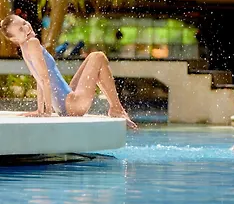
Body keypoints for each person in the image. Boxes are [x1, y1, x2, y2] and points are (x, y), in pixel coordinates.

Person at [0, 14, 137, 129]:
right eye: (20, 29)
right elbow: (44, 80)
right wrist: (47, 112)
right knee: (98, 56)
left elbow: (39, 79)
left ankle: (116, 108)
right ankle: (116, 108)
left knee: (92, 58)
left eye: (24, 23)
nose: (26, 27)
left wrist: (40, 110)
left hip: (65, 105)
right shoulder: (33, 42)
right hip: (72, 105)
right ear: (14, 39)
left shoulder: (25, 47)